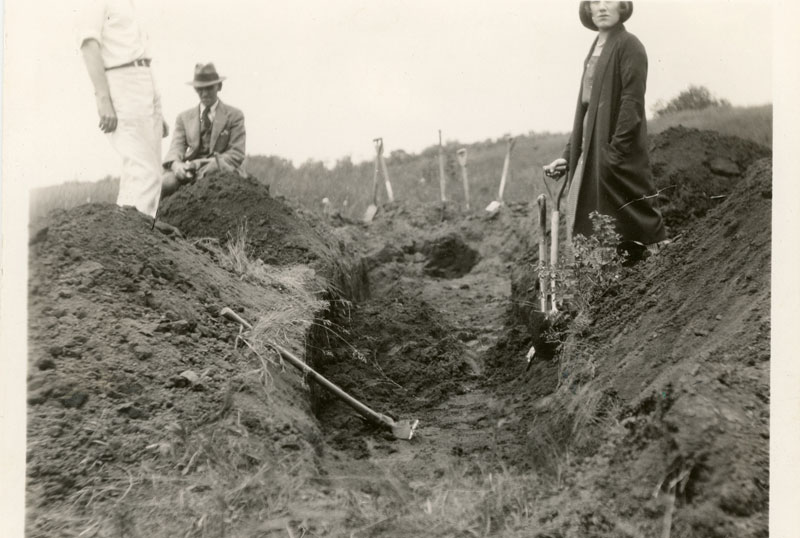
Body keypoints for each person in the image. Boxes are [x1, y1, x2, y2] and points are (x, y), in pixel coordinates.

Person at [544, 1, 666, 257]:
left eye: (609, 0)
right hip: (591, 151)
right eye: (595, 1)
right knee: (580, 212)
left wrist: (614, 154)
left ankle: (641, 271)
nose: (601, 7)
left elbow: (631, 103)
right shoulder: (593, 51)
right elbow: (586, 111)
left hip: (613, 153)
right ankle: (595, 282)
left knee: (626, 221)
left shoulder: (629, 45)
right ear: (587, 9)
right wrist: (568, 157)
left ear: (622, 6)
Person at [77, 0, 168, 218]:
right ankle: (140, 243)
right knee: (145, 173)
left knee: (140, 172)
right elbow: (89, 44)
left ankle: (125, 239)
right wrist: (103, 98)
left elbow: (139, 51)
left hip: (144, 80)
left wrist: (156, 108)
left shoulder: (130, 4)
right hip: (122, 81)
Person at [161, 63, 247, 196]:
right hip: (190, 172)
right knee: (166, 183)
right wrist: (176, 166)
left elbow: (236, 154)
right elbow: (176, 148)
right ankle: (155, 216)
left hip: (220, 168)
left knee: (213, 173)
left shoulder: (234, 116)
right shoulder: (183, 118)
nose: (204, 93)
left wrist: (199, 164)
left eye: (209, 88)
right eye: (200, 89)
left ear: (219, 87)